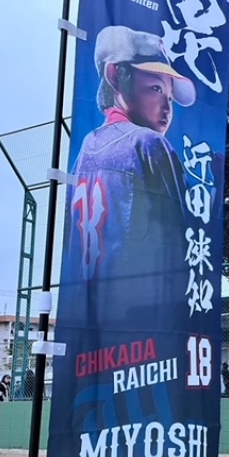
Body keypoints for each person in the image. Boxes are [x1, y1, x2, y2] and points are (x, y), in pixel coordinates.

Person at [62, 25, 197, 327]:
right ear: (116, 75)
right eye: (156, 89)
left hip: (89, 318)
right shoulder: (148, 143)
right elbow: (176, 244)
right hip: (141, 317)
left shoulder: (85, 150)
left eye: (170, 97)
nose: (167, 108)